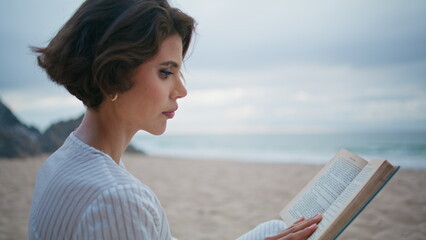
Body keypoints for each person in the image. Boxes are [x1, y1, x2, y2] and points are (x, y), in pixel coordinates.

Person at [28, 0, 322, 239]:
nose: (181, 90)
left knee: (272, 228)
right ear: (113, 74)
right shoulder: (119, 198)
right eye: (166, 72)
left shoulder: (62, 160)